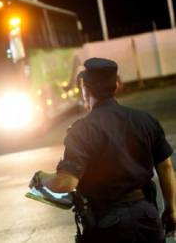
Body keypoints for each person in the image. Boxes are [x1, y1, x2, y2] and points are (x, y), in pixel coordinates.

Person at [29, 57, 176, 243]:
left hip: (108, 227)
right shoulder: (144, 120)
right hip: (147, 219)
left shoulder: (82, 130)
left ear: (85, 90)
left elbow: (66, 183)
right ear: (116, 85)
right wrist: (172, 210)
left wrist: (41, 178)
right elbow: (166, 167)